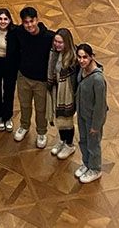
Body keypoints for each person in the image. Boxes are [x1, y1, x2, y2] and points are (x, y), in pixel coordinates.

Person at [11, 6, 54, 148]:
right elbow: (6, 27)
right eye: (26, 22)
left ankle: (41, 132)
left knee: (41, 109)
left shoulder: (49, 37)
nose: (29, 25)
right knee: (24, 105)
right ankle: (24, 126)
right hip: (23, 77)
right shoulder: (20, 32)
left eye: (31, 21)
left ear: (37, 19)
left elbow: (64, 46)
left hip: (41, 81)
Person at [75, 43, 108, 184]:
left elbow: (100, 106)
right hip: (82, 113)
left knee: (93, 144)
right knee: (83, 140)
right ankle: (87, 163)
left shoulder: (98, 80)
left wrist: (96, 125)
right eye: (79, 57)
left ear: (92, 57)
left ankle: (95, 169)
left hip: (92, 118)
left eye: (85, 57)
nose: (82, 60)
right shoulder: (82, 70)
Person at [47, 28, 78, 160]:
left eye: (60, 42)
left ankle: (69, 144)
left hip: (67, 93)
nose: (57, 45)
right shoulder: (53, 53)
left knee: (67, 120)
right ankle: (62, 140)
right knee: (59, 118)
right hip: (56, 89)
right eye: (56, 41)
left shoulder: (73, 59)